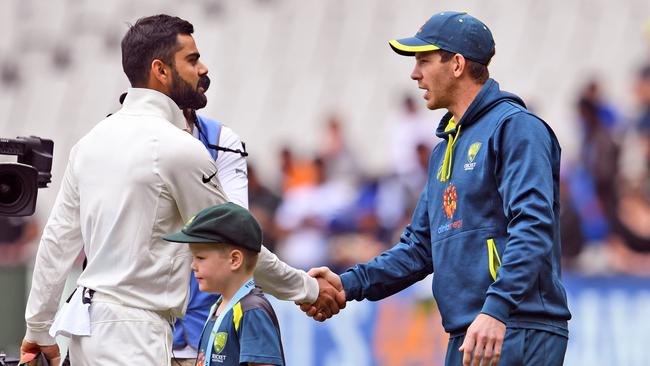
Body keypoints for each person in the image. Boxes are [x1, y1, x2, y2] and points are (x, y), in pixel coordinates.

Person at [21, 14, 343, 365]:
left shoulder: (88, 144)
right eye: (191, 59)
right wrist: (309, 289)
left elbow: (56, 242)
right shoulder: (180, 148)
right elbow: (235, 244)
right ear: (160, 70)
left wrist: (38, 329)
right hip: (134, 336)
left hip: (85, 333)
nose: (202, 69)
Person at [303, 11, 571, 366]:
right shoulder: (445, 148)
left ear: (457, 64)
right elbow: (418, 248)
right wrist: (347, 284)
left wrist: (498, 308)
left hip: (514, 325)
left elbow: (534, 226)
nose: (414, 74)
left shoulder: (516, 128)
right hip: (471, 331)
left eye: (424, 61)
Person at [164, 202, 284, 366]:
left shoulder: (251, 310)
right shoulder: (218, 307)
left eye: (200, 258)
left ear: (234, 260)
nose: (193, 266)